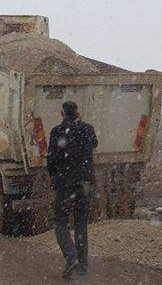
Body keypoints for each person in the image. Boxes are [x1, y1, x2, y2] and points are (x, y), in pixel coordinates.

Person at [47, 100, 98, 278]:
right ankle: (82, 266)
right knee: (81, 224)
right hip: (85, 183)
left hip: (65, 184)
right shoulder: (88, 128)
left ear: (62, 113)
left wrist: (54, 177)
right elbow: (94, 144)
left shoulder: (57, 131)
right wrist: (82, 124)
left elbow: (51, 160)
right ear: (77, 112)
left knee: (61, 223)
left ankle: (71, 257)